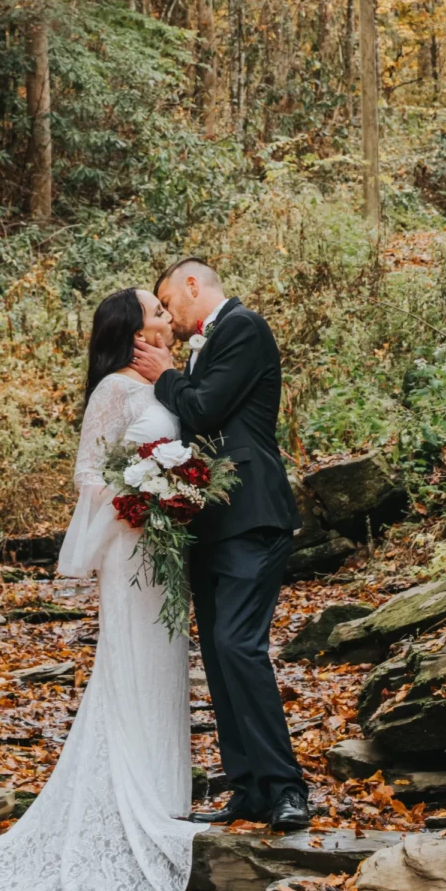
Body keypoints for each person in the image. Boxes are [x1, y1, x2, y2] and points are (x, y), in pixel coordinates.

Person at [0, 287, 206, 891]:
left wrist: (180, 490)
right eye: (157, 311)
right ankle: (120, 808)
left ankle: (166, 800)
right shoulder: (114, 390)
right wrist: (139, 500)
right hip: (130, 550)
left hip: (165, 556)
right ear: (133, 330)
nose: (168, 316)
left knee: (165, 669)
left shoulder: (169, 383)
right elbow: (90, 473)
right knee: (129, 668)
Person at [132, 258, 309, 832]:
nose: (170, 317)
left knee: (238, 645)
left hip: (252, 514)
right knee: (217, 653)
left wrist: (164, 373)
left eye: (169, 302)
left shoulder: (244, 328)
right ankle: (248, 787)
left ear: (192, 285)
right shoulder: (201, 351)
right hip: (207, 522)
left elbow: (205, 408)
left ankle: (286, 788)